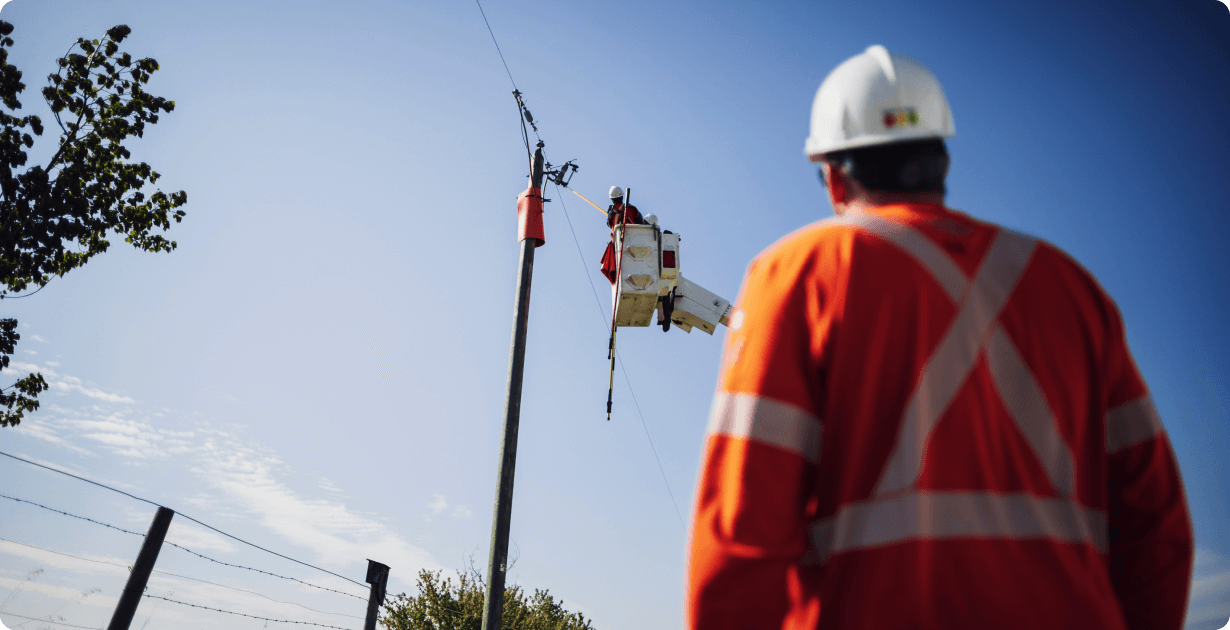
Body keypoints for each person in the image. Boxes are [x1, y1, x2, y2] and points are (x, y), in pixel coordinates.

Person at [687, 45, 1193, 630]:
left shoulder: (800, 276)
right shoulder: (1073, 289)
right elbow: (1157, 525)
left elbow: (741, 536)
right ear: (941, 161)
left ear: (831, 177)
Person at [600, 185, 645, 284]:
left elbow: (609, 225)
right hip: (634, 240)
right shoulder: (631, 209)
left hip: (618, 245)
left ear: (612, 199)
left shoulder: (611, 215)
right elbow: (641, 222)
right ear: (622, 196)